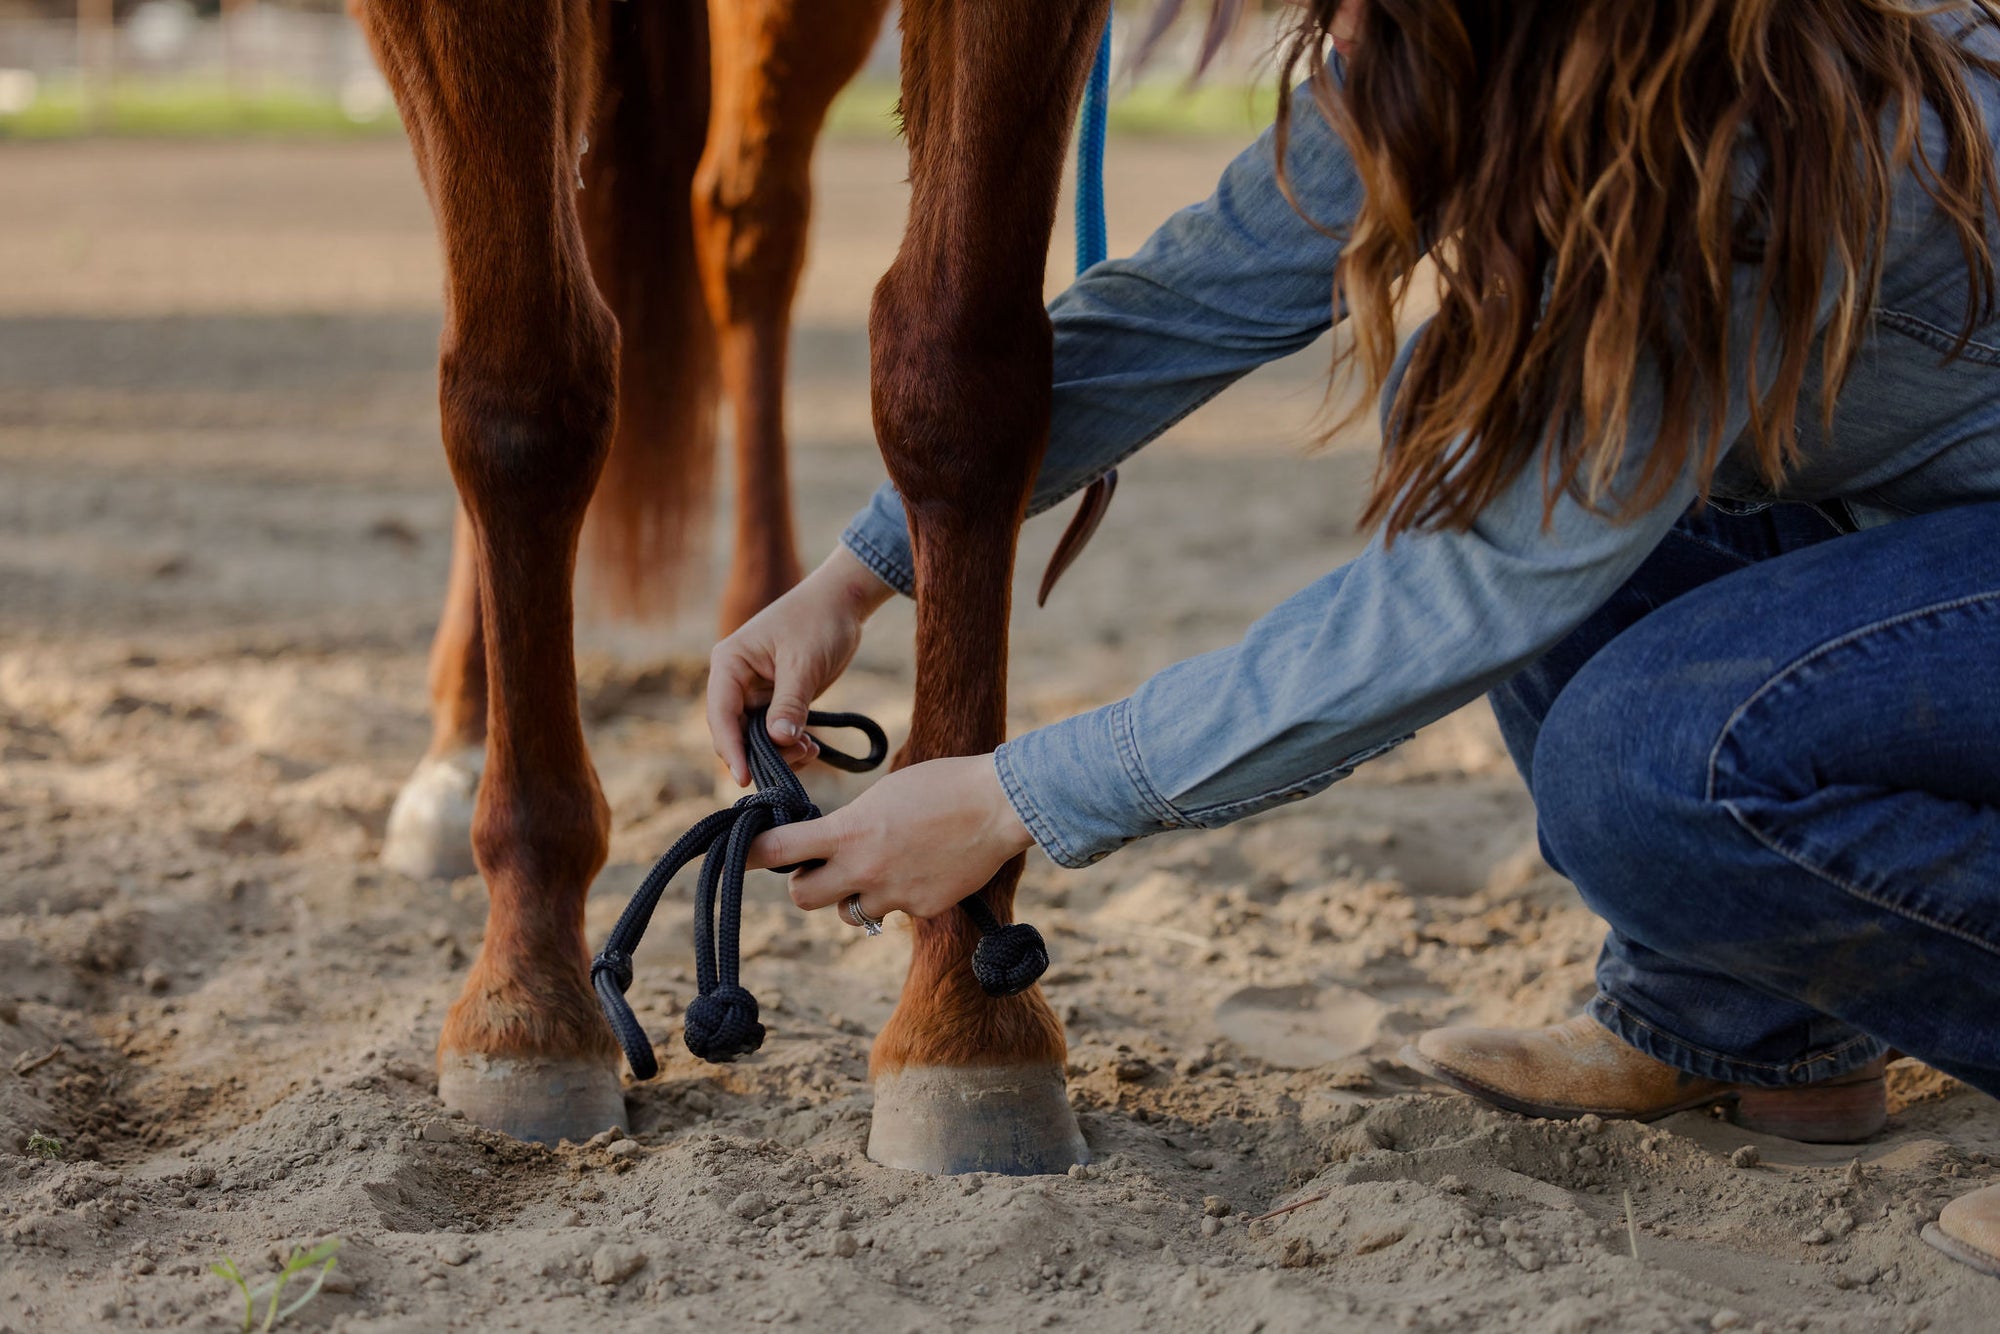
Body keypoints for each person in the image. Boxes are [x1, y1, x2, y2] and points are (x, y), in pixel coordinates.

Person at [707, 0, 2000, 1275]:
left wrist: (1008, 798)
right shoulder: (1483, 47)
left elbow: (1447, 604)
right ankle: (1742, 1019)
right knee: (1463, 384)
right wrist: (860, 571)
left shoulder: (1728, 173)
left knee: (1652, 764)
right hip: (1928, 526)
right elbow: (1194, 296)